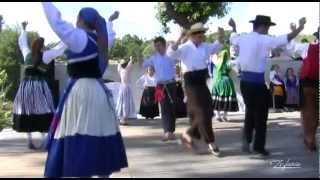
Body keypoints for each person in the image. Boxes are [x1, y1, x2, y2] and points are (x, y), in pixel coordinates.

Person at [41, 2, 128, 177]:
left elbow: (56, 22)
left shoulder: (78, 37)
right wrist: (110, 22)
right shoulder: (102, 40)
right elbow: (109, 33)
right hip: (98, 91)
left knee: (81, 135)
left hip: (80, 93)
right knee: (101, 132)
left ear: (80, 20)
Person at [229, 15, 306, 156]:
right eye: (268, 27)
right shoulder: (264, 39)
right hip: (257, 83)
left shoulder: (242, 37)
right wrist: (300, 28)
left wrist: (233, 27)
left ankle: (246, 140)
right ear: (263, 26)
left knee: (250, 112)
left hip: (245, 82)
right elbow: (285, 38)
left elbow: (232, 37)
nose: (268, 29)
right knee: (261, 115)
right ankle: (258, 146)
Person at [167, 22, 224, 156]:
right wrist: (179, 38)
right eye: (198, 34)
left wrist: (221, 34)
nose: (201, 36)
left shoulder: (205, 46)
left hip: (201, 80)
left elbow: (217, 46)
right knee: (201, 112)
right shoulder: (185, 47)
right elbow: (171, 53)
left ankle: (189, 134)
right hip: (191, 81)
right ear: (192, 35)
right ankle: (211, 142)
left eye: (202, 34)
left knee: (208, 111)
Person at [13, 21, 63, 150]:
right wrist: (67, 37)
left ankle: (30, 139)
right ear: (42, 46)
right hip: (39, 87)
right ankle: (43, 139)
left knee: (28, 111)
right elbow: (59, 49)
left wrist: (24, 29)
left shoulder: (27, 54)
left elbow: (22, 43)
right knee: (44, 110)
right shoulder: (45, 55)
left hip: (25, 88)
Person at [288, 26, 319, 152]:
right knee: (315, 113)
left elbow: (292, 47)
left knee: (308, 112)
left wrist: (295, 31)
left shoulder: (308, 47)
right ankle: (310, 137)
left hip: (309, 83)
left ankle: (310, 139)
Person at [142, 36, 177, 142]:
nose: (157, 48)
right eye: (155, 46)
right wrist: (142, 57)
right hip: (160, 86)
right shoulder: (154, 57)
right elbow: (143, 64)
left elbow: (177, 51)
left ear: (164, 45)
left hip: (171, 84)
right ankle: (167, 132)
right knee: (164, 108)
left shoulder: (170, 55)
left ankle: (171, 131)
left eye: (159, 45)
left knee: (172, 108)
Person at [211, 47, 239, 122]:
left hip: (217, 82)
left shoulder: (216, 62)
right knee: (226, 99)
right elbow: (234, 63)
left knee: (217, 99)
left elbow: (212, 55)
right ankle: (224, 116)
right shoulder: (227, 63)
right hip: (226, 82)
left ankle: (218, 115)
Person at [116, 57, 137, 125]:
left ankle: (122, 119)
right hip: (126, 87)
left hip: (122, 87)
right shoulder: (126, 70)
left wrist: (119, 62)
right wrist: (130, 59)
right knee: (125, 103)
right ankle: (123, 119)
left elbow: (119, 65)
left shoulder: (121, 70)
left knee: (122, 102)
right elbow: (130, 64)